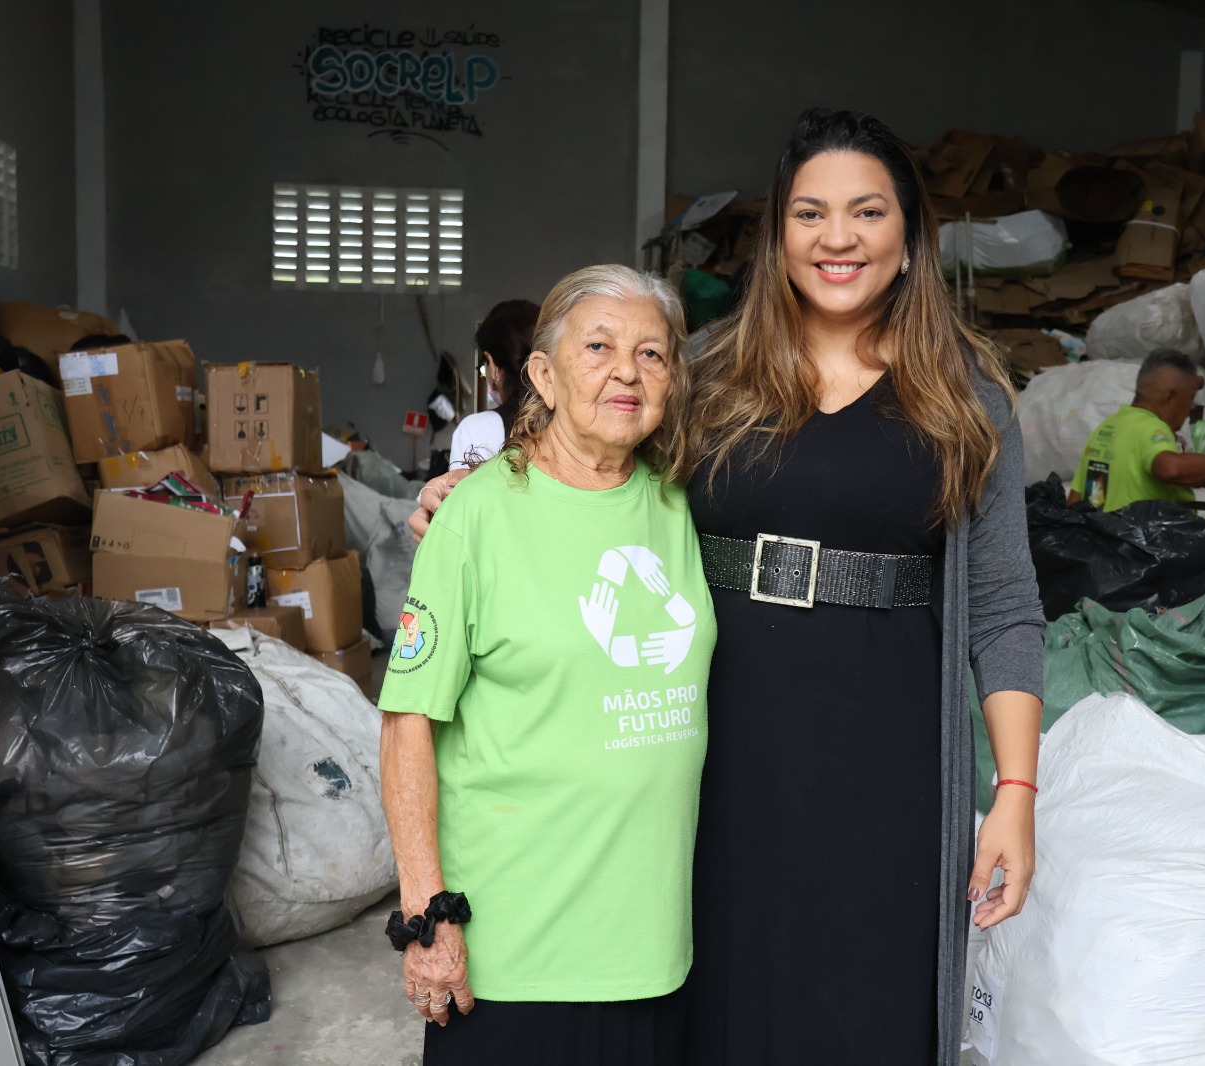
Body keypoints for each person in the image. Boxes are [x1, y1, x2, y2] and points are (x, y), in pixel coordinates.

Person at [414, 108, 1043, 1066]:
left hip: (887, 759)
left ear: (910, 238)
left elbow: (1002, 606)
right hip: (712, 749)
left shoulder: (965, 397)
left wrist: (1015, 792)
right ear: (778, 238)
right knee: (718, 1007)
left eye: (867, 212)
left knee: (868, 1001)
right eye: (810, 214)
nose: (838, 238)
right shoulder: (709, 373)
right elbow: (586, 459)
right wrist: (475, 495)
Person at [378, 264, 714, 1066]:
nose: (627, 371)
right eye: (598, 346)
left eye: (653, 354)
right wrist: (426, 917)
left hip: (652, 951)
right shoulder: (476, 518)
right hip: (516, 957)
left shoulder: (681, 502)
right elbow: (406, 724)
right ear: (543, 374)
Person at [1070, 347, 1205, 512]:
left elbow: (1075, 500)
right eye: (1191, 397)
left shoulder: (1108, 427)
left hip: (1105, 544)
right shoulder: (1151, 427)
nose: (1192, 406)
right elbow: (1170, 469)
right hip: (1144, 547)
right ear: (1169, 397)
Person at [446, 298, 542, 470]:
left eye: (484, 366)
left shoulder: (475, 429)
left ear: (492, 364)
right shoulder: (571, 423)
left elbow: (464, 496)